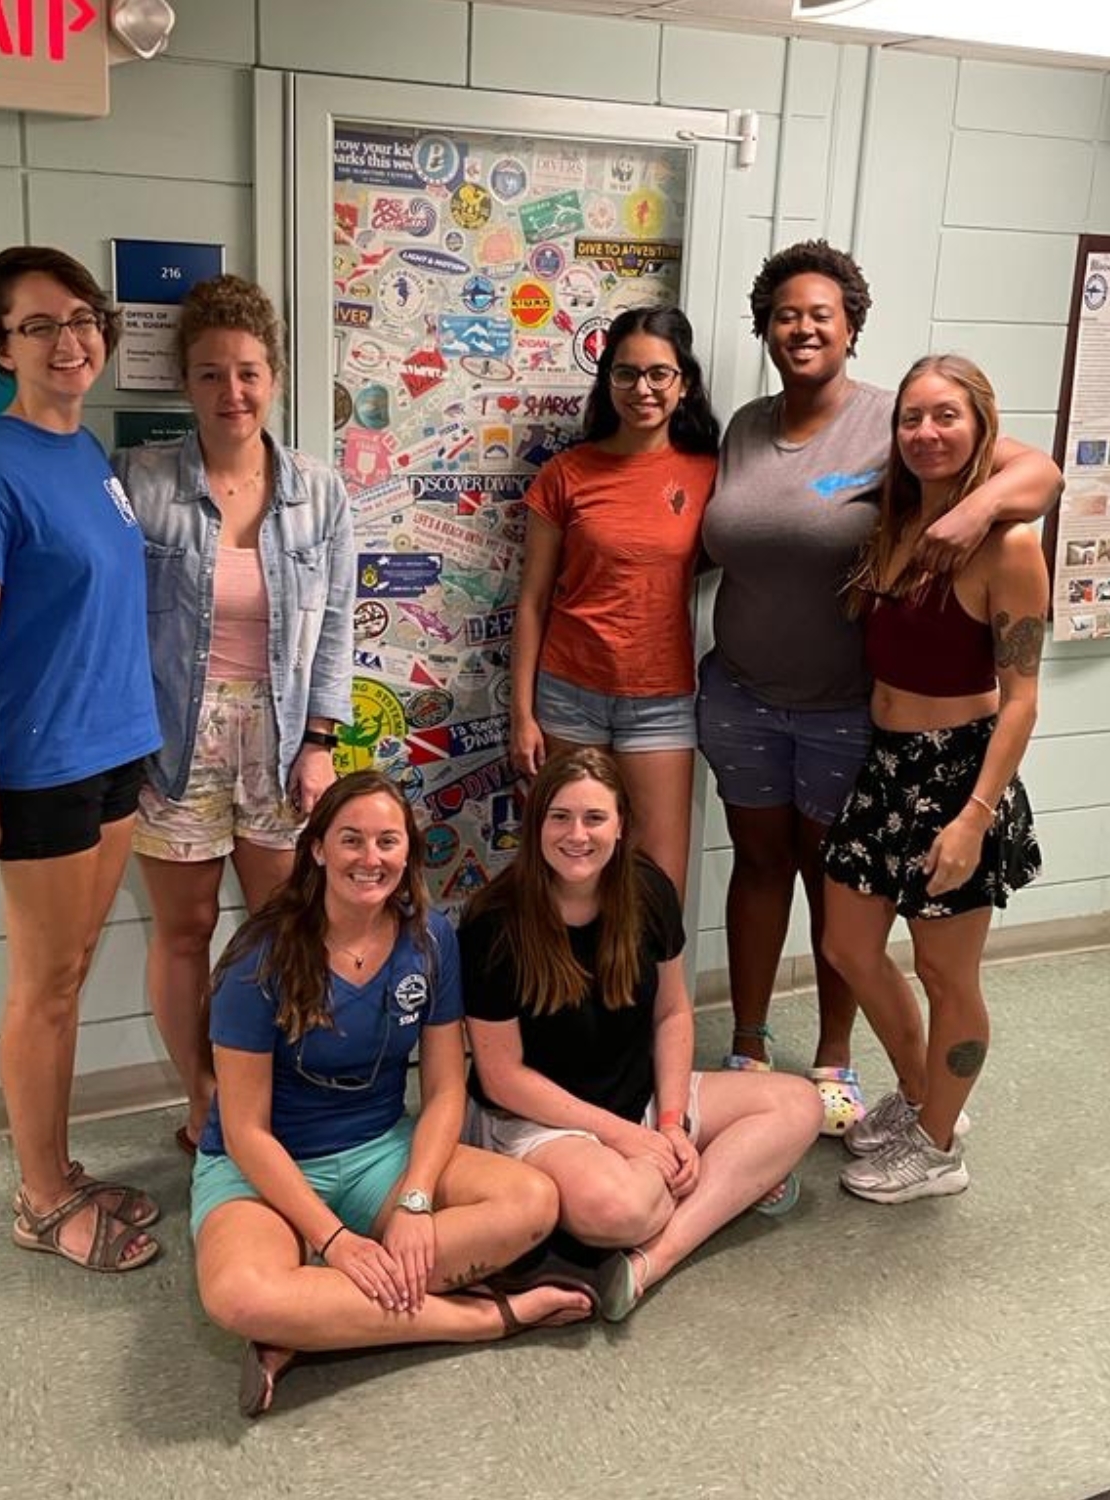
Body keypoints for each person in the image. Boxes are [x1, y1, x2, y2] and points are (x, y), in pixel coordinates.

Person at [697, 239, 1060, 1133]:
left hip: (862, 723)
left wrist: (980, 506)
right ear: (765, 329)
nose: (802, 327)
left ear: (852, 325)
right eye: (785, 314)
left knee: (871, 922)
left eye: (821, 313)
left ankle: (857, 1075)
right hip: (763, 704)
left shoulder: (899, 429)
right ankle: (803, 1059)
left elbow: (1037, 472)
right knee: (792, 892)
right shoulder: (749, 427)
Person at [192, 772, 593, 1418]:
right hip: (264, 1171)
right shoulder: (258, 959)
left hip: (381, 1152)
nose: (370, 858)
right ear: (317, 849)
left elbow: (442, 1091)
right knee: (239, 1296)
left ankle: (313, 1315)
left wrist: (414, 1200)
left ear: (409, 851)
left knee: (534, 1201)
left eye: (387, 841)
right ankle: (484, 1318)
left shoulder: (431, 938)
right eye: (350, 840)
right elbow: (245, 1132)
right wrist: (336, 1241)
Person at [0, 246, 163, 1271]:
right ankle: (37, 1198)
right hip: (39, 768)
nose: (72, 340)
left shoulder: (87, 456)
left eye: (83, 317)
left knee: (72, 970)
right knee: (47, 987)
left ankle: (61, 1171)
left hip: (116, 752)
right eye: (41, 325)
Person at [114, 275, 355, 1155]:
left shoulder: (321, 495)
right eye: (211, 373)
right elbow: (109, 621)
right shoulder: (140, 483)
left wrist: (322, 742)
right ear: (185, 382)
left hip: (284, 735)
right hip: (175, 740)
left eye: (249, 372)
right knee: (182, 931)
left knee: (284, 928)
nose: (232, 392)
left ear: (276, 378)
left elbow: (334, 635)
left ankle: (277, 1096)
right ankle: (204, 1098)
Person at [460, 749, 823, 1323]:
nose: (577, 835)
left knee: (801, 1103)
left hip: (640, 1098)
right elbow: (504, 1077)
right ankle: (723, 1184)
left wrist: (672, 1122)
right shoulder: (493, 921)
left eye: (594, 818)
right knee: (623, 1209)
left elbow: (673, 1013)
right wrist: (629, 1141)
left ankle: (652, 1260)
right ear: (535, 825)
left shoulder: (648, 889)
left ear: (622, 824)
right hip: (539, 1120)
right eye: (559, 817)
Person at [820, 355, 1045, 1203]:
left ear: (982, 426)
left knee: (950, 975)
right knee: (847, 945)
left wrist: (974, 817)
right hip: (885, 768)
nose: (926, 433)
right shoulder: (900, 523)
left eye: (946, 416)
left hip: (959, 777)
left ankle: (940, 1149)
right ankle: (922, 1096)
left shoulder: (1008, 546)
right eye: (911, 418)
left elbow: (1022, 700)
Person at [508, 307, 720, 896]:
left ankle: (662, 993)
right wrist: (521, 716)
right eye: (625, 374)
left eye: (659, 374)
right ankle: (567, 989)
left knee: (657, 880)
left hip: (661, 703)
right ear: (607, 381)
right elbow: (532, 602)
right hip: (568, 696)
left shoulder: (711, 474)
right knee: (571, 872)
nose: (642, 389)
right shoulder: (564, 475)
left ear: (685, 383)